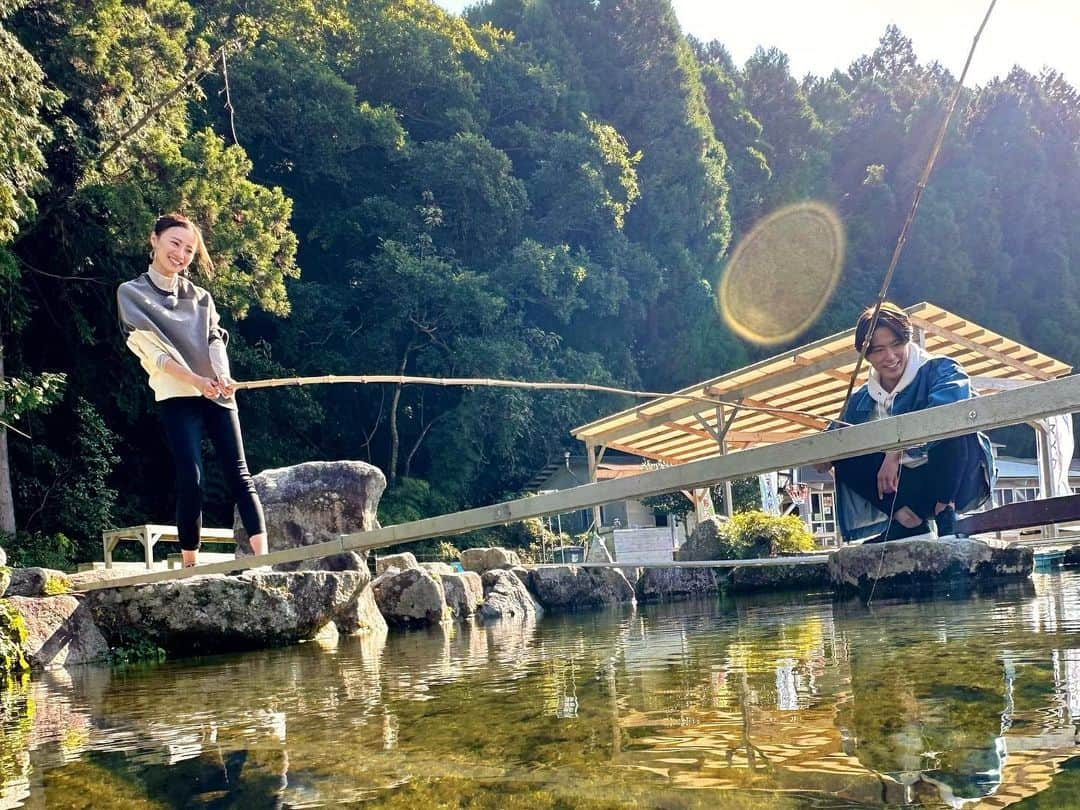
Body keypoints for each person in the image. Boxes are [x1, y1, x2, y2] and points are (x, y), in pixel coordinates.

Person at [117, 213, 268, 567]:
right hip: (177, 394)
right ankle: (189, 563)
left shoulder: (201, 297)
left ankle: (264, 560)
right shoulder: (131, 293)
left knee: (239, 473)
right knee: (191, 475)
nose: (181, 254)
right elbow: (151, 352)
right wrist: (195, 381)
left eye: (189, 250)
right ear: (154, 239)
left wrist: (221, 376)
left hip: (217, 392)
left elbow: (215, 339)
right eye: (175, 243)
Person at [821, 303, 995, 543]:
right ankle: (908, 523)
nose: (890, 357)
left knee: (955, 423)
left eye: (896, 344)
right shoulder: (861, 399)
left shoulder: (943, 370)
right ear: (866, 354)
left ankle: (946, 514)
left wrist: (895, 451)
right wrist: (823, 455)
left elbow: (945, 413)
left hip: (956, 481)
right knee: (844, 448)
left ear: (908, 340)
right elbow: (826, 448)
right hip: (904, 492)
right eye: (878, 350)